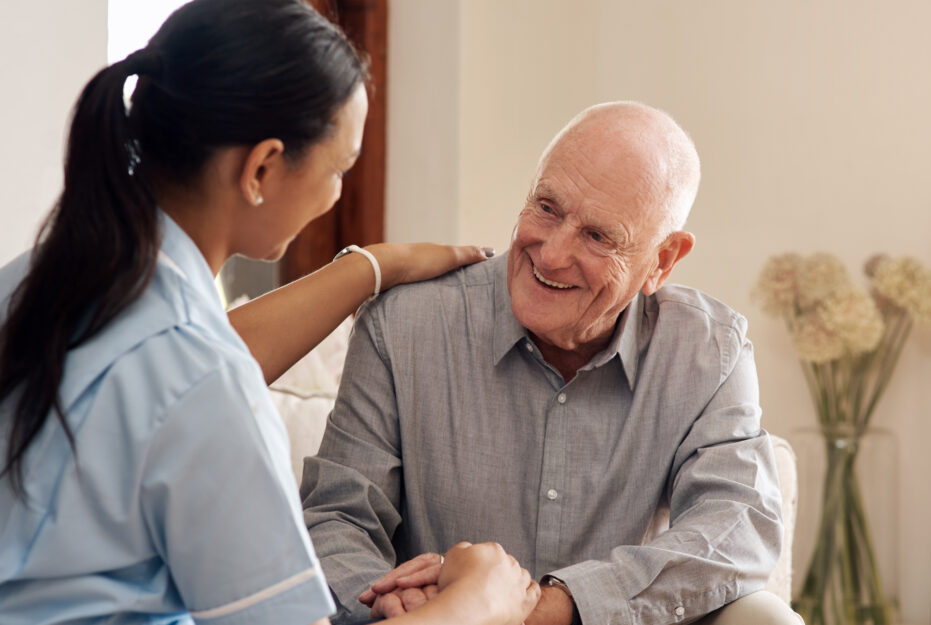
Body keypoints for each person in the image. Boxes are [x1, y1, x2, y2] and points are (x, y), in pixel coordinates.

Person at [0, 1, 540, 624]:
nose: (337, 192)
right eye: (339, 168)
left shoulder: (41, 280)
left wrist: (375, 266)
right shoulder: (200, 375)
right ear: (261, 168)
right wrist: (480, 601)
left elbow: (177, 377)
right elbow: (197, 381)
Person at [301, 102, 802, 624]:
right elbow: (338, 516)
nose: (552, 254)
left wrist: (543, 609)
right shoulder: (405, 322)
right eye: (547, 208)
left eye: (597, 236)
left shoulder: (707, 351)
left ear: (662, 260)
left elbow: (738, 525)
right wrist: (403, 606)